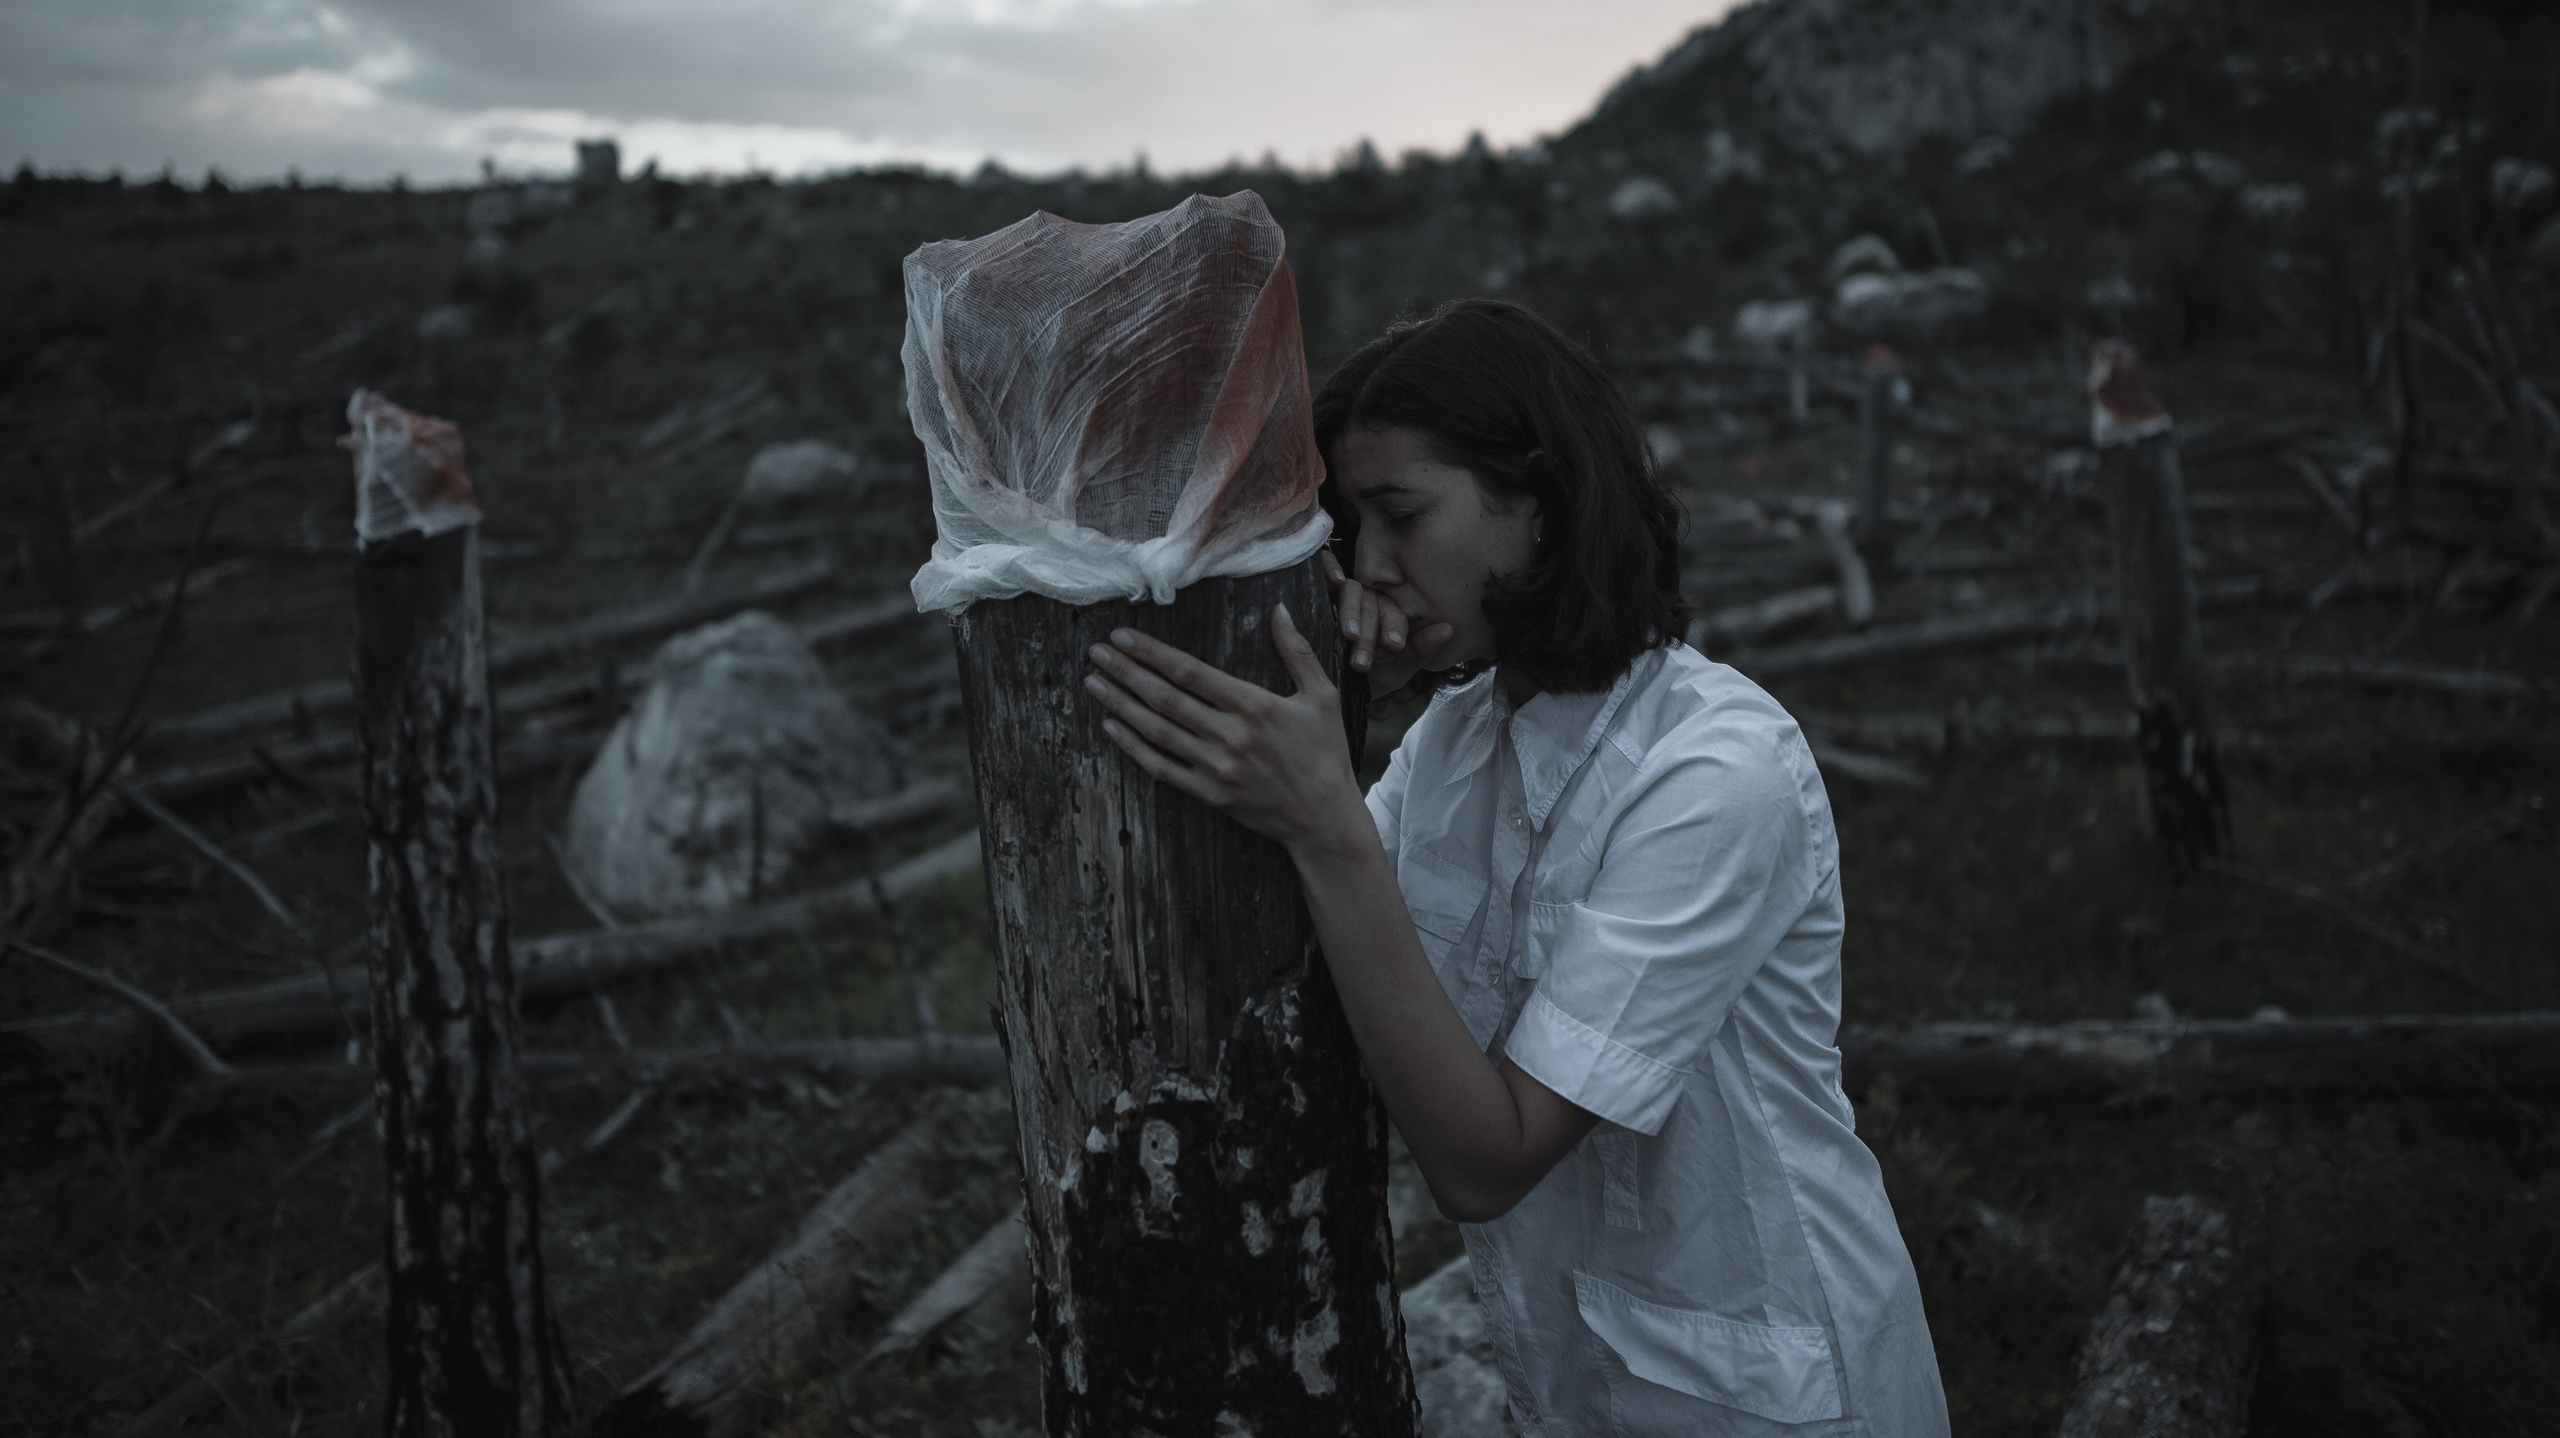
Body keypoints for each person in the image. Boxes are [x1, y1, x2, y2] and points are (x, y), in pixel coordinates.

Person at [1080, 298, 1948, 1436]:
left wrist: (1329, 820)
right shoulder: (1456, 739)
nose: (1370, 566)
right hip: (1582, 1377)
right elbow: (1329, 956)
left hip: (1772, 1388)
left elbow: (1488, 1160)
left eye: (1400, 514)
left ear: (1538, 502)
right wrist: (1346, 720)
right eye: (1352, 528)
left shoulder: (1714, 768)